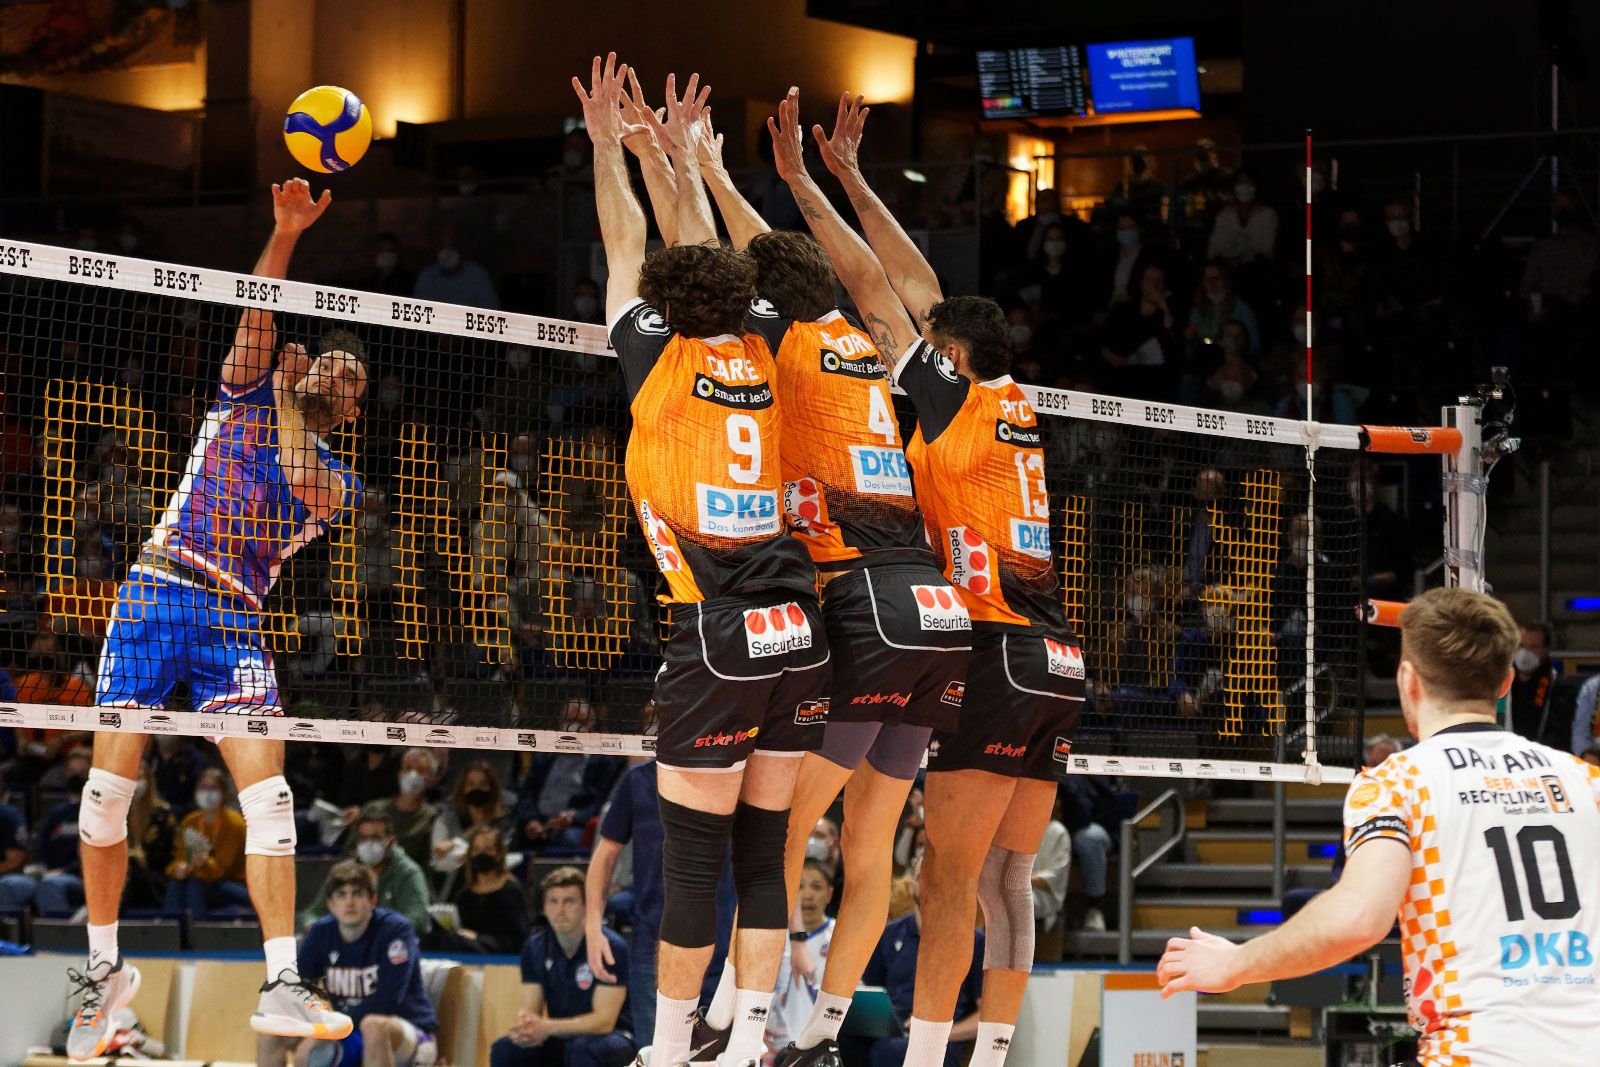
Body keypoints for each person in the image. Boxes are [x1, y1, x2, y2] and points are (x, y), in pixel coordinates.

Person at [658, 86, 968, 1067]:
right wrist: (802, 179)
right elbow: (885, 278)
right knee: (869, 843)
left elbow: (714, 266)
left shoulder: (778, 342)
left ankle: (732, 1017)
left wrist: (700, 169)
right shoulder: (866, 340)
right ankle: (823, 1031)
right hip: (937, 607)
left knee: (778, 828)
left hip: (862, 599)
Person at [802, 90, 1084, 1067]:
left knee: (946, 877)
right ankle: (991, 1050)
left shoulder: (955, 403)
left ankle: (926, 1058)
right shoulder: (1012, 403)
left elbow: (880, 294)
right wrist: (854, 175)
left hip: (996, 650)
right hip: (1059, 659)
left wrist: (809, 186)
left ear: (952, 358)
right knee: (1009, 881)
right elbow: (919, 290)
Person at [73, 178, 362, 1060]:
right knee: (106, 792)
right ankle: (100, 978)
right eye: (330, 364)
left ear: (351, 409)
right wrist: (285, 233)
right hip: (159, 591)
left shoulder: (336, 483)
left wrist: (288, 396)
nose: (336, 376)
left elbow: (300, 467)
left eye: (351, 381)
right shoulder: (240, 392)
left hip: (235, 617)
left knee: (270, 797)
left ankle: (282, 981)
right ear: (302, 366)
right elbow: (257, 306)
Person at [576, 56, 828, 1067]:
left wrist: (610, 145)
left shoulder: (654, 354)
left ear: (661, 305)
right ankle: (750, 1040)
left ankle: (671, 1049)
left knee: (689, 863)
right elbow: (701, 255)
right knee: (762, 855)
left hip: (718, 632)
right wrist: (675, 158)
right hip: (799, 630)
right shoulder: (760, 345)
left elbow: (626, 241)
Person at [1158, 587, 1600, 1065]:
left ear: (1408, 679)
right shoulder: (1585, 780)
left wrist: (1234, 963)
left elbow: (1358, 919)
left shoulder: (1397, 781)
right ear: (1506, 681)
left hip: (1477, 1051)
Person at [584, 758, 737, 1045]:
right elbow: (605, 854)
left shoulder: (734, 773)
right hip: (653, 947)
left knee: (720, 1057)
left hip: (721, 947)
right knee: (656, 1051)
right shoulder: (638, 779)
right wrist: (592, 926)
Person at [259, 861, 438, 1067]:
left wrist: (325, 1031)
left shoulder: (395, 931)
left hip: (408, 1034)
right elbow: (296, 988)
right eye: (341, 895)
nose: (349, 902)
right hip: (347, 1032)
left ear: (372, 900)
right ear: (330, 904)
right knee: (272, 1030)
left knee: (373, 1025)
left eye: (357, 894)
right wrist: (310, 1025)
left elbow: (386, 1002)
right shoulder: (321, 932)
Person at [493, 867, 633, 1067]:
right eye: (553, 901)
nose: (560, 910)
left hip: (612, 1037)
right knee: (507, 1048)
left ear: (586, 906)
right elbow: (530, 1009)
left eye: (569, 901)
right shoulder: (535, 947)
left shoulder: (610, 947)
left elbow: (604, 1021)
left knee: (582, 1048)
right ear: (543, 907)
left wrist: (547, 1027)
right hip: (562, 1034)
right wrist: (526, 1027)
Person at [859, 853, 984, 1067]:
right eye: (922, 877)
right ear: (911, 886)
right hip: (891, 1030)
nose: (930, 884)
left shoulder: (974, 941)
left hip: (941, 1038)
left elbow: (988, 1017)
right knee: (840, 1040)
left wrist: (940, 1033)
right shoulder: (888, 934)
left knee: (888, 1051)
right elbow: (872, 994)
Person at [301, 808, 433, 937]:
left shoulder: (408, 873)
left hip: (392, 943)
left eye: (376, 838)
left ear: (391, 841)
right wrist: (313, 927)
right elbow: (313, 913)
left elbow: (418, 920)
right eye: (363, 838)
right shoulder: (344, 872)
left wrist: (376, 933)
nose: (368, 844)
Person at [163, 766, 252, 919]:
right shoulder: (190, 822)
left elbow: (221, 871)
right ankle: (170, 929)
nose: (207, 793)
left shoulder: (234, 824)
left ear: (224, 793)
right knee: (177, 882)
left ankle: (198, 930)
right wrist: (178, 869)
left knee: (195, 883)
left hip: (235, 884)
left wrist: (203, 862)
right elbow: (179, 858)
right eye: (203, 788)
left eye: (213, 788)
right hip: (202, 878)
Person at [765, 860, 835, 1053]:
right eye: (799, 887)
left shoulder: (840, 935)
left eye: (816, 887)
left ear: (830, 893)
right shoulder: (772, 934)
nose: (807, 895)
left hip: (823, 1039)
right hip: (773, 1041)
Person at [449, 826, 531, 954]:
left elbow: (519, 940)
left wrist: (478, 938)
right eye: (476, 850)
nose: (481, 854)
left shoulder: (511, 892)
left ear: (499, 854)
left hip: (502, 959)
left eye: (488, 849)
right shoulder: (464, 895)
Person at [363, 750, 440, 871]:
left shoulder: (432, 818)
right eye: (408, 768)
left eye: (420, 771)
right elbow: (351, 850)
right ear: (400, 774)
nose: (413, 775)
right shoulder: (374, 809)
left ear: (432, 779)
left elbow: (429, 864)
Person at [430, 760, 509, 878]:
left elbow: (503, 859)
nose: (476, 789)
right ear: (463, 789)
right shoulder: (446, 820)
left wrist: (459, 851)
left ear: (492, 788)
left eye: (483, 784)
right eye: (471, 784)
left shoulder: (503, 822)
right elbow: (437, 861)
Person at [1510, 621, 1558, 744]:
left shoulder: (1558, 687)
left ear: (1546, 650)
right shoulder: (1501, 685)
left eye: (1533, 647)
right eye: (1521, 646)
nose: (1525, 653)